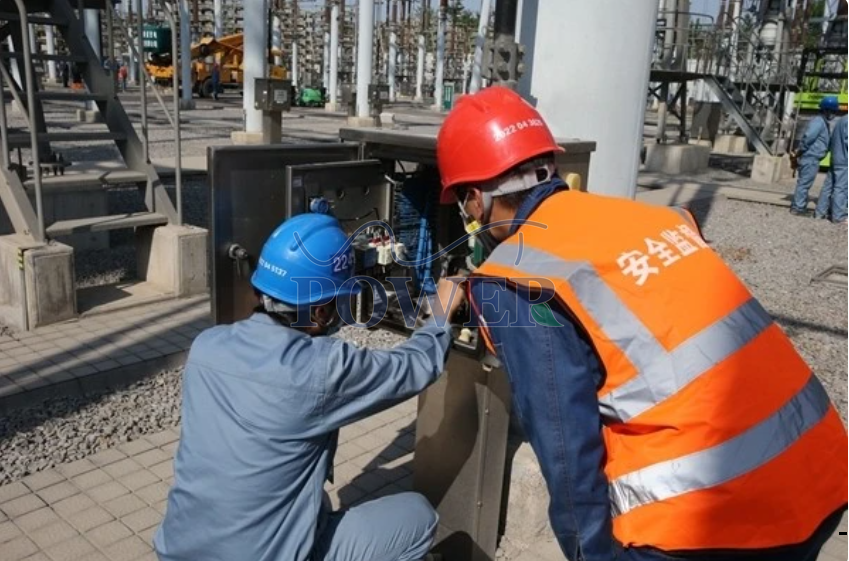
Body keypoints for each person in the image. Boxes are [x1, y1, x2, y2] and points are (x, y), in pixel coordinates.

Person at [436, 86, 848, 561]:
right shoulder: (652, 220)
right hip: (817, 466)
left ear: (475, 200)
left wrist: (589, 553)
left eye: (464, 205)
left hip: (714, 519)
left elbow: (566, 446)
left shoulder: (515, 280)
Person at [154, 211, 463, 561]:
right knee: (417, 517)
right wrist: (440, 315)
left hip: (179, 550)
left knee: (317, 503)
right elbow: (416, 366)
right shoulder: (320, 369)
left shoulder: (206, 346)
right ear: (318, 314)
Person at [790, 96, 840, 215]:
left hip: (812, 157)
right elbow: (808, 137)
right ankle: (798, 208)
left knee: (805, 183)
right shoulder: (818, 121)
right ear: (826, 110)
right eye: (832, 111)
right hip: (810, 157)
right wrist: (800, 151)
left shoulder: (822, 122)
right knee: (804, 183)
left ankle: (799, 206)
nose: (833, 114)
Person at [814, 113, 848, 224]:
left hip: (835, 158)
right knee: (841, 188)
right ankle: (838, 216)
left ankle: (820, 212)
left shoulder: (842, 119)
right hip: (844, 160)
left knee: (828, 186)